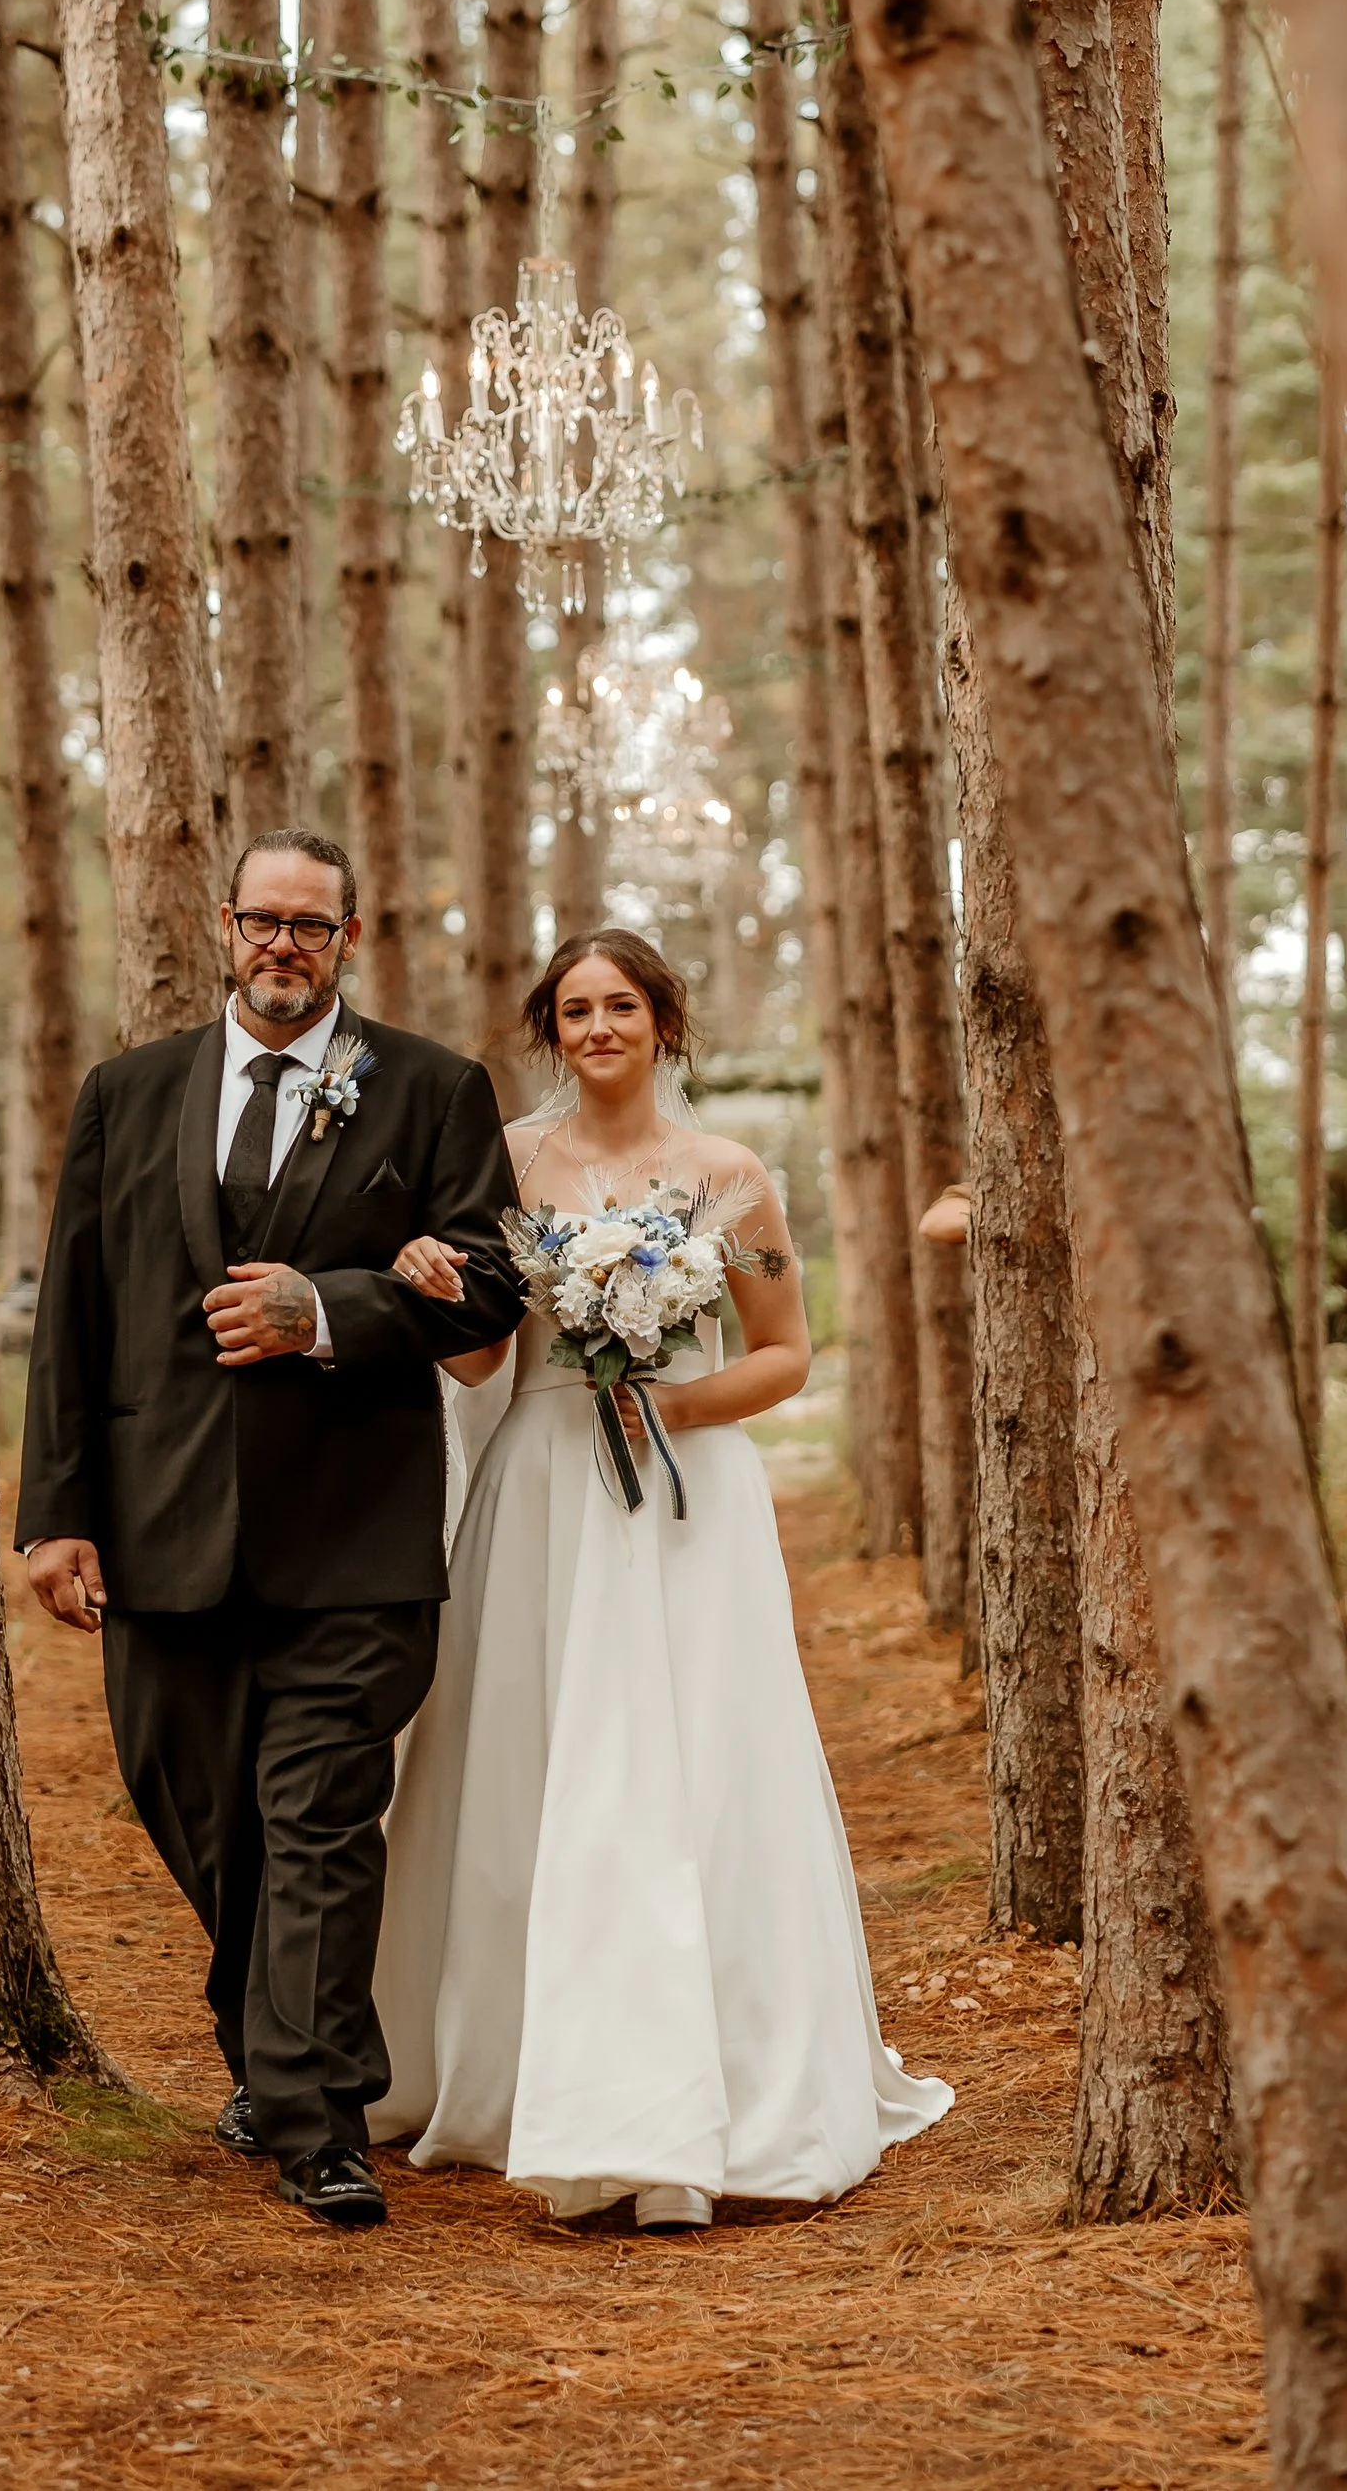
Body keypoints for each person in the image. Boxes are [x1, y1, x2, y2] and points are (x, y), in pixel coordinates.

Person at [369, 926, 953, 2229]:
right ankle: (523, 2068)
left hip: (688, 1500)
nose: (595, 1027)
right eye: (572, 1008)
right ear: (550, 1028)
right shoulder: (509, 1158)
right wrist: (429, 1289)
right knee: (526, 1760)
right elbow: (479, 1363)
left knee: (688, 1767)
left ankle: (713, 2075)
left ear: (663, 1022)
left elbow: (786, 1351)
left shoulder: (730, 1175)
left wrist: (671, 1410)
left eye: (618, 1003)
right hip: (544, 1492)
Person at [14, 830, 523, 2232]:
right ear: (225, 926)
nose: (283, 943)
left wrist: (333, 1311)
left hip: (352, 1534)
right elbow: (74, 1313)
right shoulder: (126, 1095)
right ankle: (290, 2036)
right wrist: (55, 1513)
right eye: (262, 920)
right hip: (160, 1528)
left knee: (315, 1823)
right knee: (196, 1807)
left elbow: (489, 1288)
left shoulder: (430, 1090)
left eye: (312, 923)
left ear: (349, 936)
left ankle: (313, 2121)